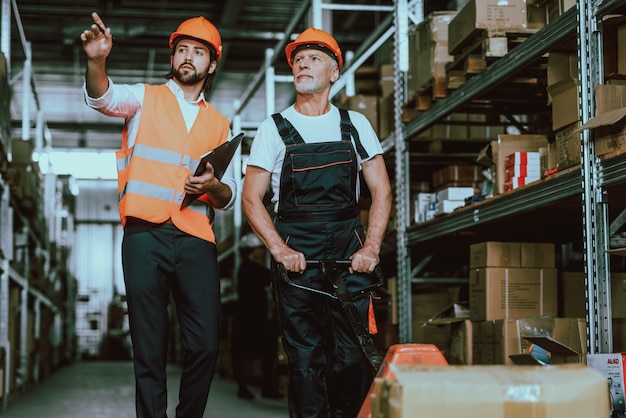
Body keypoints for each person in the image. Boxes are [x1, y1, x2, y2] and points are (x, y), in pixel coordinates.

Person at [81, 12, 236, 418]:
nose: (188, 57)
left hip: (195, 236)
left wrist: (211, 187)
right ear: (173, 57)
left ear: (212, 64)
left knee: (204, 343)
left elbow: (228, 195)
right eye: (182, 49)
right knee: (149, 346)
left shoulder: (221, 124)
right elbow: (103, 97)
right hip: (144, 234)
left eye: (198, 52)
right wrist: (97, 61)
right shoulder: (143, 97)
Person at [241, 27, 392, 418]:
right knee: (307, 361)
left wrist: (371, 246)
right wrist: (279, 248)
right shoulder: (273, 128)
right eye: (297, 59)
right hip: (298, 255)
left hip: (348, 250)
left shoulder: (355, 123)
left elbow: (381, 190)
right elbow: (251, 198)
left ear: (334, 72)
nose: (302, 63)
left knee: (355, 356)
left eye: (314, 58)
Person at [230, 232, 282, 400]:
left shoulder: (250, 267)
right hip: (248, 317)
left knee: (267, 350)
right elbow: (270, 277)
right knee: (242, 352)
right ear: (253, 251)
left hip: (257, 317)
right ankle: (244, 387)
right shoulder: (249, 268)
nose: (262, 252)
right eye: (259, 248)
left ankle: (264, 387)